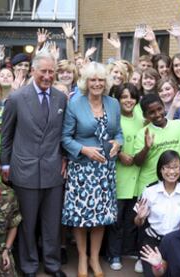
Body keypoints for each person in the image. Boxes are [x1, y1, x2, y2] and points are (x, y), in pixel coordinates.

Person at [0, 51, 67, 277]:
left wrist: (65, 158)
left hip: (53, 170)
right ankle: (28, 266)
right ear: (33, 71)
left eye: (51, 72)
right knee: (27, 223)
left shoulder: (60, 98)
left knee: (52, 223)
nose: (47, 76)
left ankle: (52, 264)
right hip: (24, 170)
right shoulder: (17, 98)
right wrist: (5, 165)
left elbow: (63, 134)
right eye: (43, 71)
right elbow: (6, 135)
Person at [61, 61, 123, 277]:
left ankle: (95, 258)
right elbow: (65, 138)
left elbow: (119, 133)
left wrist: (118, 143)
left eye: (100, 80)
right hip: (82, 169)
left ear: (106, 82)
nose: (97, 83)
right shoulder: (75, 104)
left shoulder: (113, 103)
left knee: (100, 217)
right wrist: (84, 150)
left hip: (105, 169)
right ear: (86, 82)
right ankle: (82, 257)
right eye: (92, 80)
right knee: (80, 216)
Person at [135, 150, 180, 276]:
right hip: (153, 241)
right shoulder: (149, 191)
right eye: (167, 167)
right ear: (160, 170)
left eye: (175, 167)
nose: (172, 172)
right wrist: (140, 217)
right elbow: (138, 222)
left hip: (178, 242)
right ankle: (143, 259)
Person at [133, 93, 180, 195]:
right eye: (151, 112)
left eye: (159, 109)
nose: (157, 114)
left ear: (164, 107)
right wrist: (146, 148)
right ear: (145, 115)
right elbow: (137, 162)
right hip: (150, 186)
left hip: (175, 184)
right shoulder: (143, 133)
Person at [107, 83, 143, 271]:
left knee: (131, 217)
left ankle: (126, 250)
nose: (128, 100)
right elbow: (107, 138)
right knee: (116, 219)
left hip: (137, 174)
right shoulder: (113, 116)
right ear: (117, 99)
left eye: (132, 96)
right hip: (118, 174)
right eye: (124, 96)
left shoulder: (140, 115)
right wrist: (120, 153)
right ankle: (113, 254)